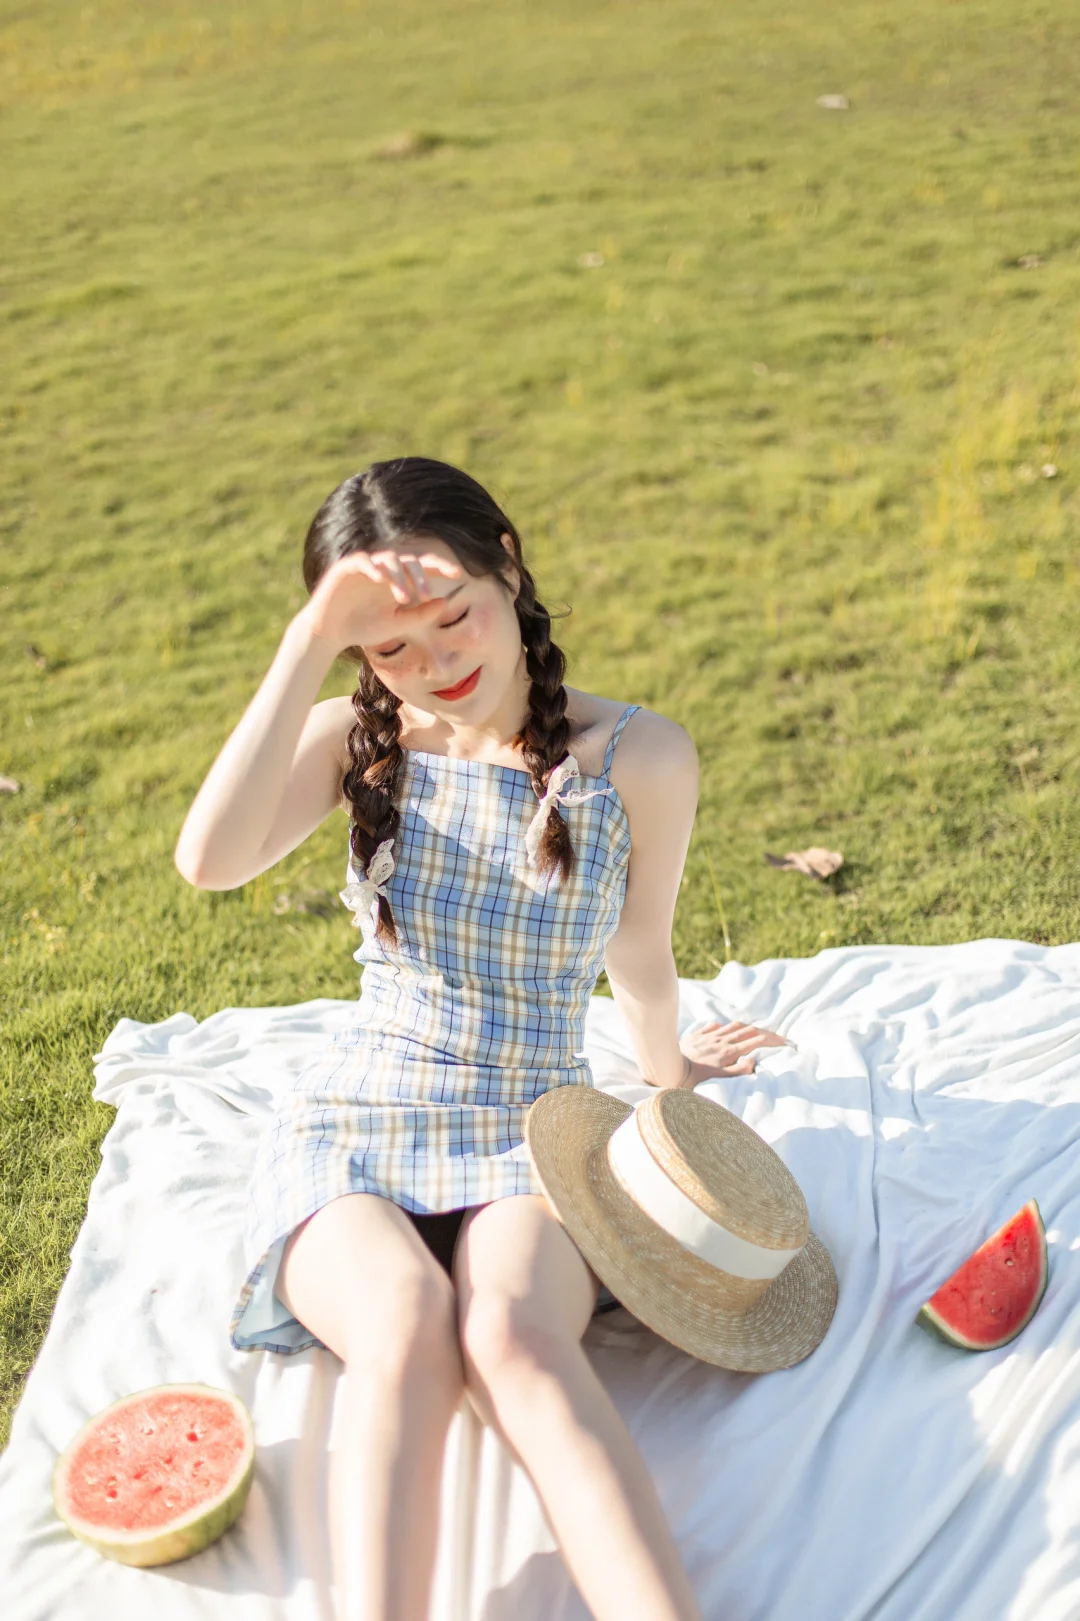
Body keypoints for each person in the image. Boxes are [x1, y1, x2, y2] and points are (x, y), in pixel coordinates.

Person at [175, 456, 785, 1621]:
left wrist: (671, 1071)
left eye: (453, 617)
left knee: (511, 1334)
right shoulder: (356, 736)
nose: (436, 664)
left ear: (510, 563)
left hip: (539, 1125)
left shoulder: (636, 759)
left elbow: (638, 953)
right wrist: (312, 639)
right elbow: (207, 862)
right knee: (404, 1327)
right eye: (390, 648)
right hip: (358, 1117)